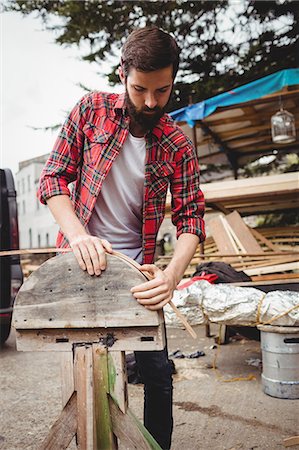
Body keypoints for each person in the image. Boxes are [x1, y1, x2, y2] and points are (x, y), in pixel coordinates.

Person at [38, 26, 205, 449]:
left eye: (162, 91)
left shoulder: (176, 144)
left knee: (157, 376)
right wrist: (78, 236)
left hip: (139, 274)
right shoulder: (89, 111)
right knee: (88, 375)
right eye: (140, 89)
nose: (150, 102)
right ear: (122, 74)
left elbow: (192, 219)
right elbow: (53, 180)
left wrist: (170, 276)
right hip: (82, 264)